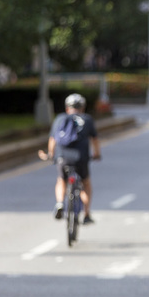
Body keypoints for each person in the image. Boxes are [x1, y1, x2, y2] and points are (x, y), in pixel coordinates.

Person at [38, 93, 101, 224]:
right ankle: (87, 214)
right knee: (86, 184)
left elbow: (53, 139)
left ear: (67, 108)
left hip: (62, 157)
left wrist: (51, 154)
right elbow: (94, 140)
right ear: (82, 107)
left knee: (61, 180)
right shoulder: (87, 119)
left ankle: (60, 203)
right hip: (81, 158)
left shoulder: (60, 119)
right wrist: (97, 154)